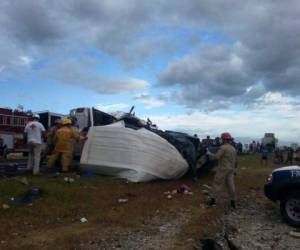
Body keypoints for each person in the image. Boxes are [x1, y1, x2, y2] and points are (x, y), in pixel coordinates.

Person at [207, 132, 237, 209]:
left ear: (223, 139)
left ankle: (213, 200)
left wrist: (209, 153)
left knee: (217, 183)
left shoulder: (223, 147)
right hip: (231, 169)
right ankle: (233, 201)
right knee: (231, 185)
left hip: (223, 169)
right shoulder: (233, 148)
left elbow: (216, 157)